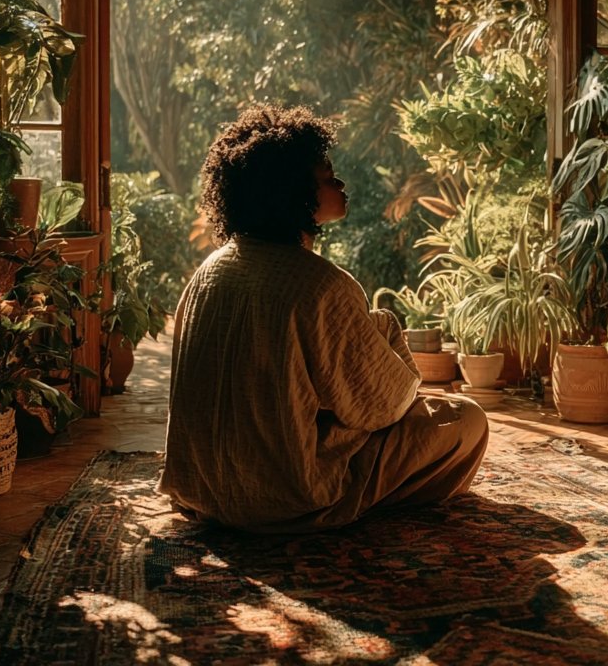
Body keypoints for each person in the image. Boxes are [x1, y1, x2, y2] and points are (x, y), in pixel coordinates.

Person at [159, 104, 489, 532]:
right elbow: (385, 405)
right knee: (466, 420)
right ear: (292, 193)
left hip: (199, 490)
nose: (341, 184)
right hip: (284, 498)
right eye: (328, 178)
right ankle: (331, 509)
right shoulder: (320, 285)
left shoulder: (208, 272)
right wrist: (385, 329)